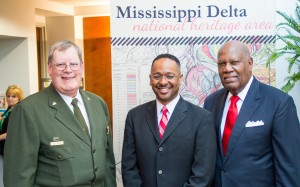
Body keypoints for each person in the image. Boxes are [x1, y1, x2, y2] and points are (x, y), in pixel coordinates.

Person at [4, 40, 116, 187]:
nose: (68, 70)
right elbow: (18, 177)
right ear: (50, 68)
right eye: (61, 64)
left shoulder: (98, 103)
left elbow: (107, 164)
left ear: (82, 66)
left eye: (74, 64)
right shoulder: (28, 111)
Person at [203, 40, 300, 187]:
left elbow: (289, 166)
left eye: (234, 62)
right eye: (222, 64)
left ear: (249, 63)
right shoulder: (211, 102)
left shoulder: (279, 103)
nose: (227, 69)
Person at [122, 53, 217, 187]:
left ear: (180, 79)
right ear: (150, 79)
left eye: (170, 76)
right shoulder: (134, 117)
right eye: (157, 76)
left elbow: (203, 174)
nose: (163, 82)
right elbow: (129, 168)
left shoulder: (202, 118)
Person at [0, 85, 24, 187]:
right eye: (8, 96)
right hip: (3, 147)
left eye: (13, 96)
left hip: (11, 147)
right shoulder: (9, 109)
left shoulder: (19, 110)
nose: (10, 99)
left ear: (19, 97)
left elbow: (15, 130)